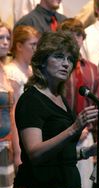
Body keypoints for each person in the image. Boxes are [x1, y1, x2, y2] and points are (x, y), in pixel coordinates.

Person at [12, 31, 99, 188]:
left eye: (69, 59)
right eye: (59, 57)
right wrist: (74, 128)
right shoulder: (31, 100)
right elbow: (35, 154)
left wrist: (84, 153)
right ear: (42, 61)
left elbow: (57, 153)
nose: (66, 64)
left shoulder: (60, 98)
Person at [57, 18, 99, 188]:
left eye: (78, 34)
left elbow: (98, 105)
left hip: (86, 135)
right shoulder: (59, 68)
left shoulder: (92, 69)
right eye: (70, 35)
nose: (75, 39)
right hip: (63, 134)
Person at [4, 25, 40, 168]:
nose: (36, 49)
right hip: (19, 135)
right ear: (19, 46)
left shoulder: (31, 70)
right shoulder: (12, 72)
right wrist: (18, 151)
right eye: (32, 45)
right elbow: (14, 114)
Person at [0, 21, 15, 188]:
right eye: (0, 38)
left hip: (6, 145)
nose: (5, 42)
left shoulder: (4, 70)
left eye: (7, 38)